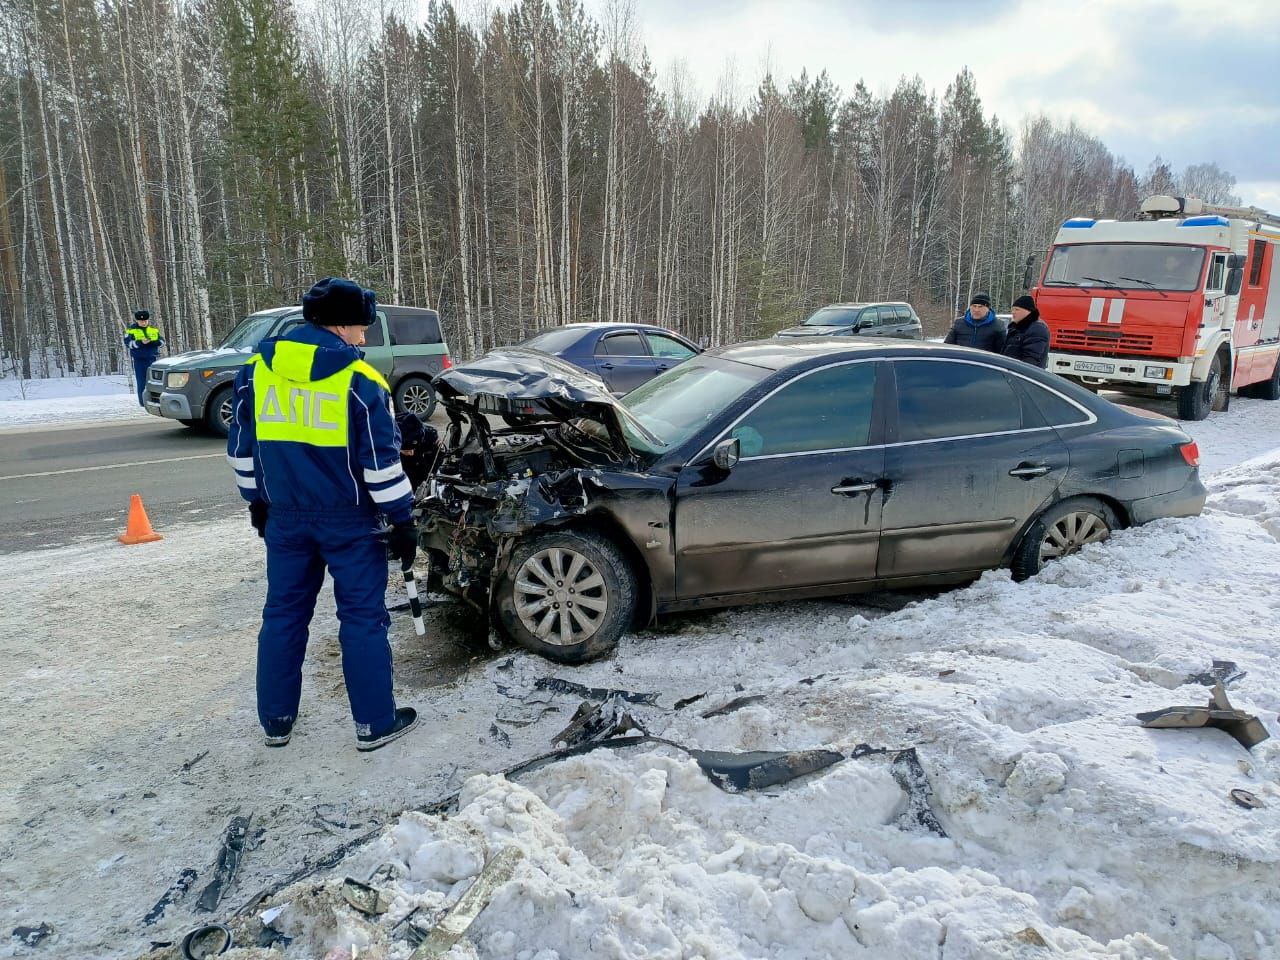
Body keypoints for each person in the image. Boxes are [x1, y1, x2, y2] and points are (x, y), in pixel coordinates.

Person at [227, 277, 420, 752]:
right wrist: (402, 520)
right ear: (341, 322)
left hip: (285, 520)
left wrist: (257, 503)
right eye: (361, 325)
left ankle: (276, 721)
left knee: (283, 616)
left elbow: (242, 450)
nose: (364, 335)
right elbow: (380, 463)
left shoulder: (256, 372)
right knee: (362, 620)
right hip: (351, 523)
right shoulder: (360, 381)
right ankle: (375, 723)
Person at [124, 310, 163, 407]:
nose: (144, 322)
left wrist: (155, 342)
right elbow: (128, 344)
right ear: (137, 320)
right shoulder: (130, 330)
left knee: (155, 382)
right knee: (142, 382)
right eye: (141, 321)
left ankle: (155, 400)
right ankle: (143, 403)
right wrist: (141, 343)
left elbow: (162, 342)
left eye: (145, 320)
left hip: (152, 359)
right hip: (139, 360)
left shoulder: (153, 329)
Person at [1003, 294, 1051, 368]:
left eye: (1017, 309)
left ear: (1028, 311)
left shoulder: (1037, 329)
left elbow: (1030, 361)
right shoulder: (1017, 328)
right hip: (1010, 373)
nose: (1013, 312)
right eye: (1012, 309)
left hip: (1022, 376)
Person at [395, 411, 439, 492]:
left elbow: (436, 460)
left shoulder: (429, 436)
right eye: (407, 450)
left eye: (412, 449)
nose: (411, 453)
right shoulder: (387, 445)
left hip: (421, 462)